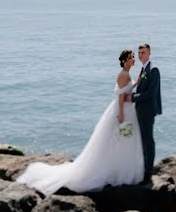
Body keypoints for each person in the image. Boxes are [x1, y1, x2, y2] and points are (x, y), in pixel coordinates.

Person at [17, 49, 144, 195]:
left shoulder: (126, 74)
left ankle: (119, 167)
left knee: (120, 141)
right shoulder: (123, 75)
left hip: (126, 109)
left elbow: (126, 90)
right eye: (131, 57)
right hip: (122, 111)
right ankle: (116, 169)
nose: (134, 59)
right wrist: (121, 116)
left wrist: (138, 82)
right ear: (124, 61)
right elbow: (121, 97)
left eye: (134, 57)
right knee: (118, 140)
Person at [132, 42, 162, 180]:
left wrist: (132, 97)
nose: (140, 55)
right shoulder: (144, 69)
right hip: (140, 110)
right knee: (143, 140)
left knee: (148, 141)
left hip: (148, 111)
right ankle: (144, 168)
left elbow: (151, 93)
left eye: (143, 52)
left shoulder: (153, 69)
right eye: (139, 53)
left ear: (149, 53)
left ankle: (148, 172)